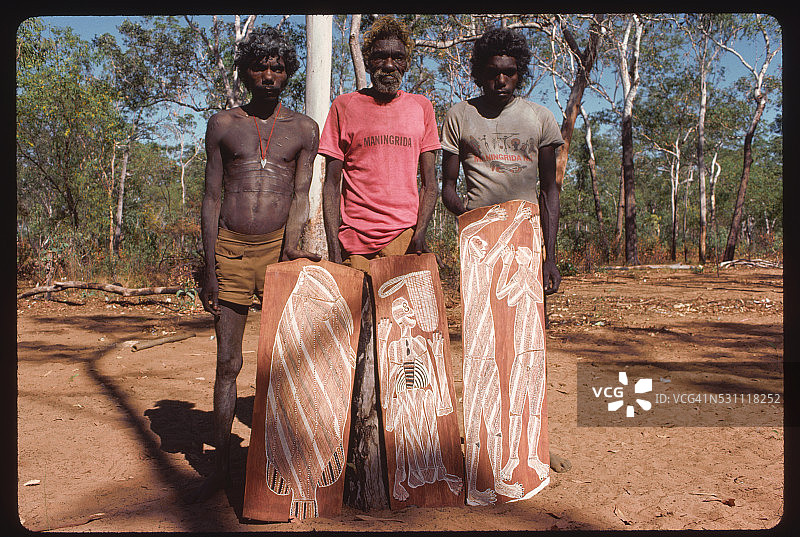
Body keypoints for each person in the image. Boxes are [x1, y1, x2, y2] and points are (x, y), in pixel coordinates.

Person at [440, 27, 571, 501]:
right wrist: (476, 221)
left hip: (525, 241)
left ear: (521, 72)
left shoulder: (540, 118)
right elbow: (448, 188)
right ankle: (484, 446)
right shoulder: (459, 117)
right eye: (492, 73)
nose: (501, 81)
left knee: (526, 346)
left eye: (510, 73)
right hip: (478, 242)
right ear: (480, 73)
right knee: (482, 343)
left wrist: (548, 257)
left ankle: (534, 446)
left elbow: (550, 193)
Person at [196, 26, 321, 501]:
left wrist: (293, 246)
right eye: (261, 67)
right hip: (230, 249)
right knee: (228, 360)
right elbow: (211, 197)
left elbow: (302, 192)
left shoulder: (305, 129)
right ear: (247, 71)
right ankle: (221, 467)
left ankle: (278, 461)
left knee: (282, 362)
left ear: (288, 72)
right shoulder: (223, 124)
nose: (270, 75)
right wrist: (209, 266)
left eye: (278, 68)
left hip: (278, 252)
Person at [320, 15, 439, 273]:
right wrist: (333, 250)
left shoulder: (422, 107)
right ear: (367, 62)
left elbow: (430, 184)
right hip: (354, 242)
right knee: (358, 313)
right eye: (379, 57)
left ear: (406, 63)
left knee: (403, 313)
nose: (388, 65)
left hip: (404, 240)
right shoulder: (344, 105)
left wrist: (419, 234)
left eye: (397, 57)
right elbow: (331, 184)